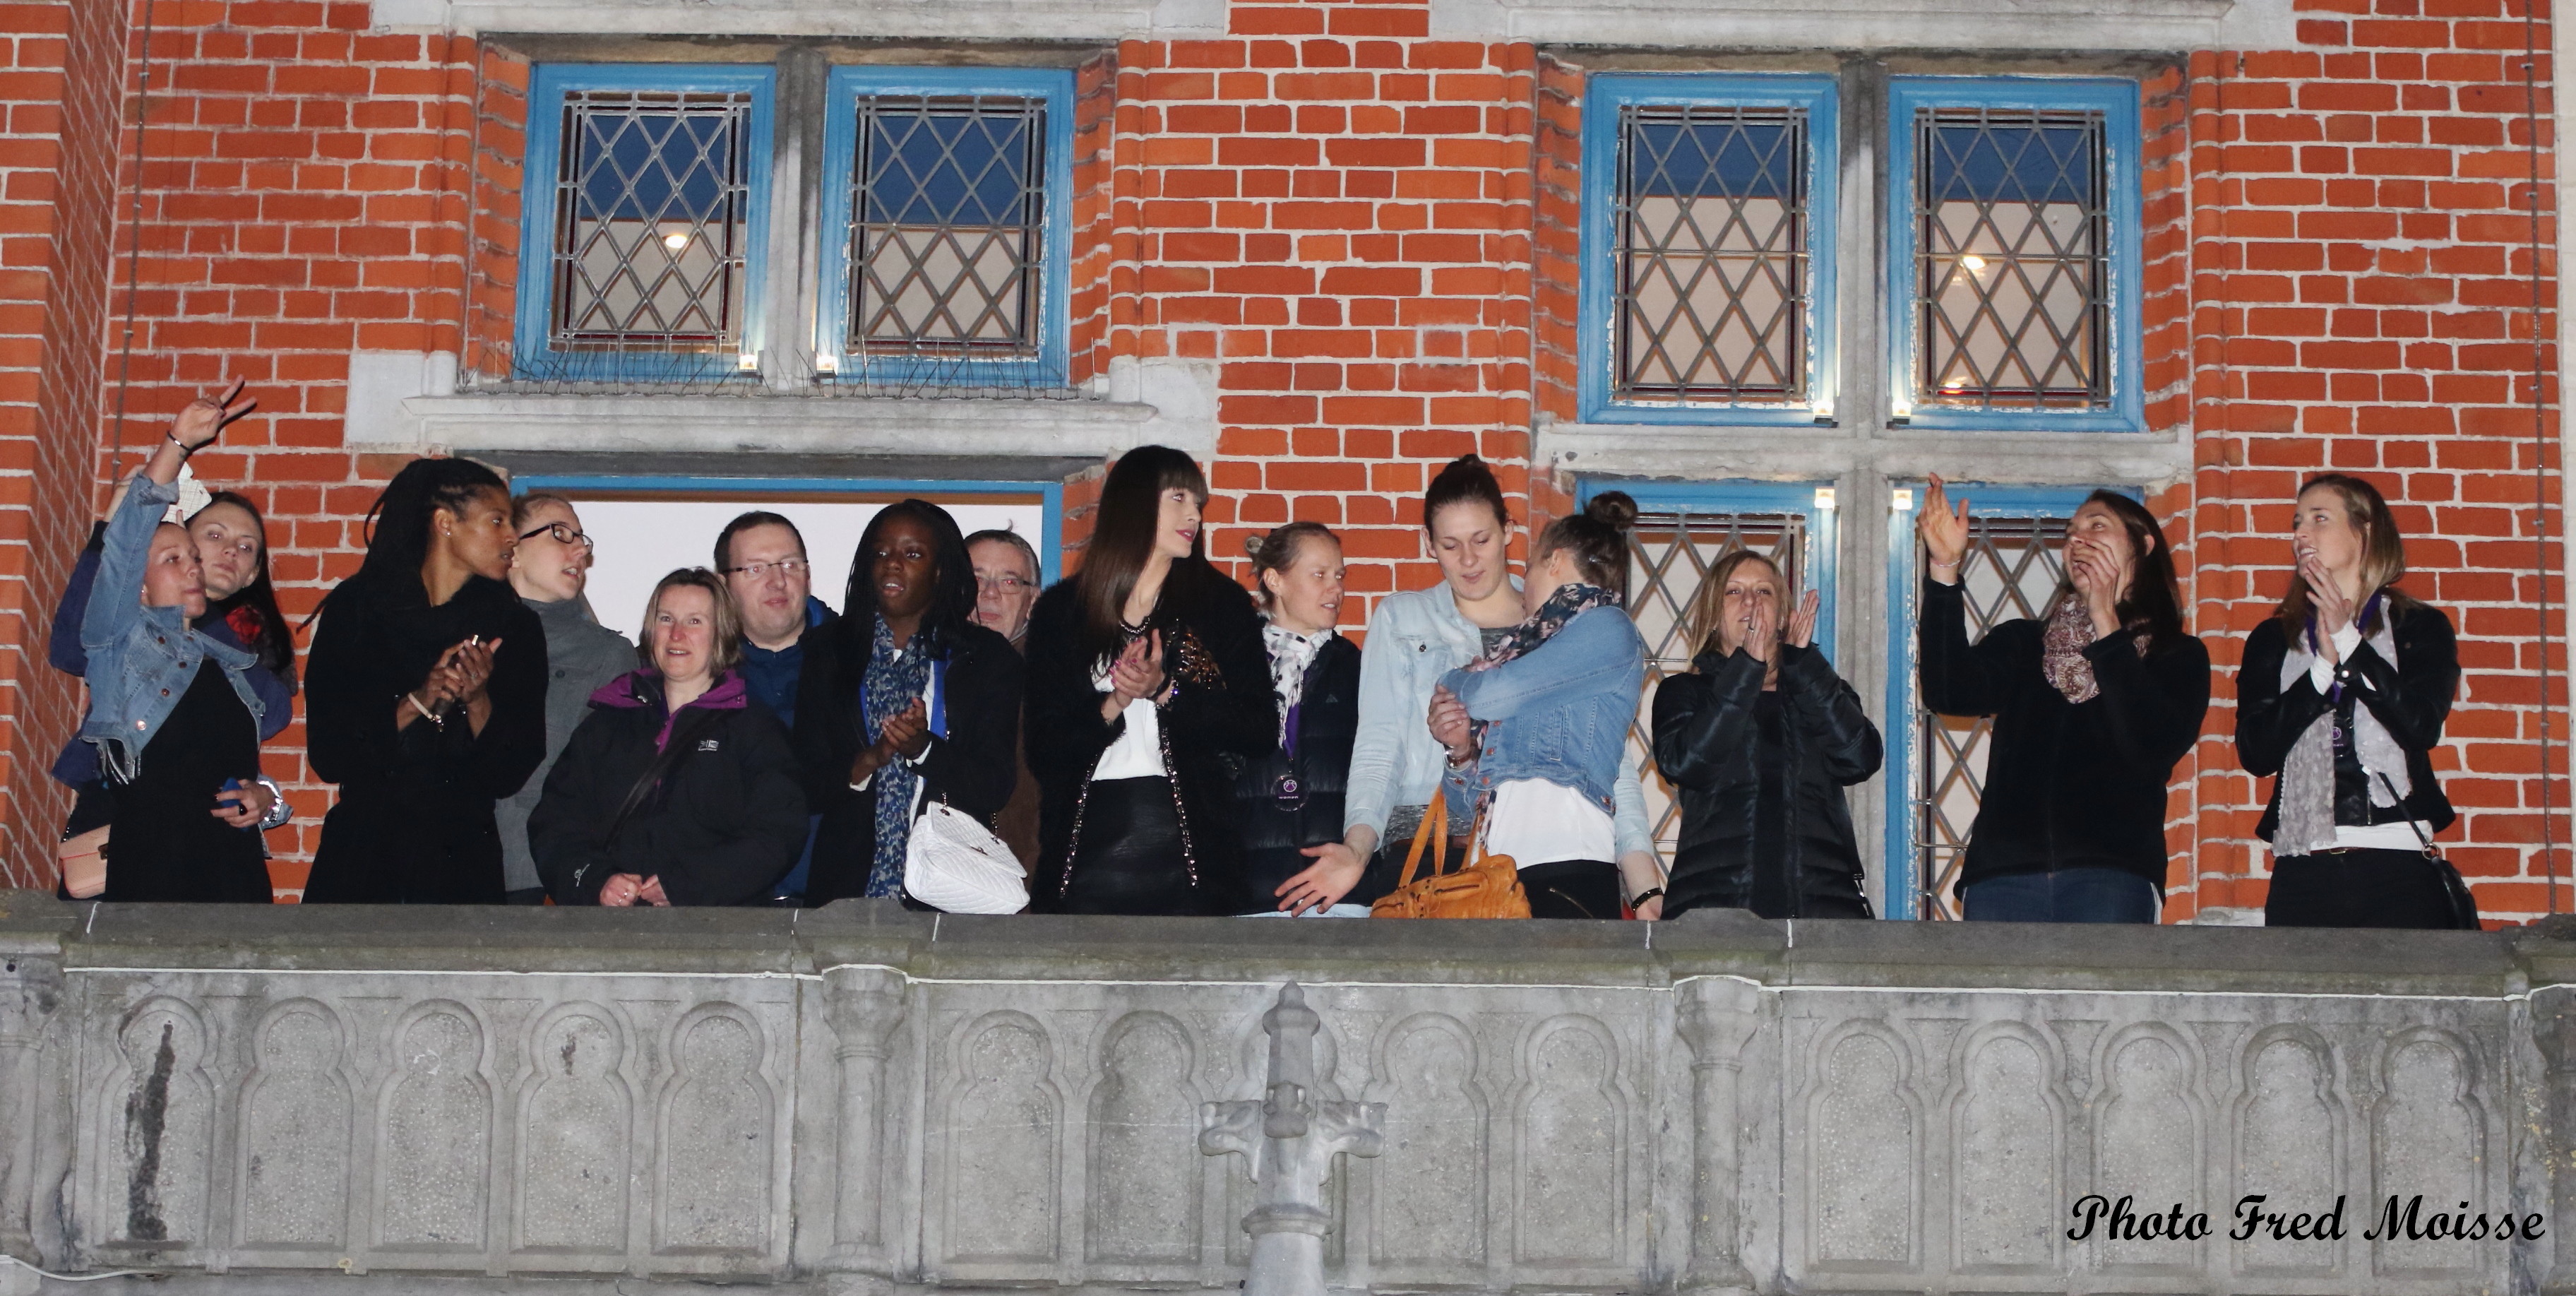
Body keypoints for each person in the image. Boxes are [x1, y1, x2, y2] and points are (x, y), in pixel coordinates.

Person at [1297, 456, 1662, 913]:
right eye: (1450, 545)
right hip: (1425, 846)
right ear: (1428, 542)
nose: (1468, 559)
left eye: (1481, 540)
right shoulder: (1404, 618)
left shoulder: (1564, 621)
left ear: (1509, 529)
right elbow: (1379, 745)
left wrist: (1643, 881)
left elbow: (1610, 760)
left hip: (1524, 854)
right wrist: (1357, 847)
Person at [1914, 475, 2209, 922]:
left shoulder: (2176, 655)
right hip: (2003, 878)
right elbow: (1948, 691)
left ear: (2143, 545)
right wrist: (1943, 569)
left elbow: (2150, 745)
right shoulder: (2025, 642)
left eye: (2096, 527)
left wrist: (2105, 618)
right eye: (2069, 535)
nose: (2077, 541)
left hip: (2112, 876)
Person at [1023, 446, 1274, 915]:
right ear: (1136, 503)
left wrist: (1167, 690)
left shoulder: (1220, 605)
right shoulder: (1062, 612)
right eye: (1179, 497)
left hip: (1194, 854)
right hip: (1084, 850)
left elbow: (1258, 728)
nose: (1194, 514)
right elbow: (1043, 750)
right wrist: (1114, 702)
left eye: (1198, 503)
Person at [300, 456, 548, 905]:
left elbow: (511, 771)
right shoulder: (357, 611)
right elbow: (330, 754)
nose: (512, 536)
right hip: (362, 862)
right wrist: (418, 701)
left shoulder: (515, 628)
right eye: (497, 521)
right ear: (445, 522)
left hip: (462, 865)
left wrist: (477, 700)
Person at [71, 382, 280, 902]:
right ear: (137, 586)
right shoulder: (119, 639)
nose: (192, 565)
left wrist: (264, 799)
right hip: (155, 856)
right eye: (172, 558)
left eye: (193, 555)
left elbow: (240, 773)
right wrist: (178, 443)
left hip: (233, 871)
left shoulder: (234, 668)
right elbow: (125, 541)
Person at [2236, 474, 2462, 928]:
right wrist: (2320, 672)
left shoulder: (2419, 628)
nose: (2301, 534)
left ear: (2366, 531)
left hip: (2397, 861)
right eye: (2298, 522)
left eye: (2320, 519)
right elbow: (2256, 752)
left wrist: (2348, 641)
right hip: (2303, 866)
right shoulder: (2273, 638)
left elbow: (2419, 726)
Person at [1434, 493, 1662, 919]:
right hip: (1500, 873)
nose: (1524, 588)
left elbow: (1491, 695)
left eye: (1529, 566)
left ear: (1554, 561)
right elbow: (1467, 811)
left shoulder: (1607, 628)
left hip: (1566, 862)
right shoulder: (1527, 652)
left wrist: (1452, 680)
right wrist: (1460, 751)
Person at [530, 569, 808, 906]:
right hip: (612, 934)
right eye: (666, 619)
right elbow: (555, 822)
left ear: (721, 634)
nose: (677, 634)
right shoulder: (607, 722)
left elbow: (778, 834)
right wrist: (596, 881)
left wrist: (688, 883)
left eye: (694, 622)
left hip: (720, 934)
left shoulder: (754, 728)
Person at [48, 487, 298, 859]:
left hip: (212, 825)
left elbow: (273, 712)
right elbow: (71, 648)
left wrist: (200, 612)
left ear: (253, 574)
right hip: (126, 809)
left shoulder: (254, 638)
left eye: (246, 548)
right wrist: (108, 536)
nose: (231, 551)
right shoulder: (131, 619)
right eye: (214, 536)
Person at [796, 501, 1024, 905]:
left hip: (949, 891)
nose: (893, 565)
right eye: (881, 553)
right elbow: (805, 786)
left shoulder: (985, 658)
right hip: (845, 890)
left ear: (940, 572)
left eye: (912, 554)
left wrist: (925, 749)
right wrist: (870, 758)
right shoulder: (827, 651)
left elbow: (994, 786)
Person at [1651, 550, 1880, 920]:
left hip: (1824, 912)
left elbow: (1860, 758)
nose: (1750, 601)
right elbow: (1687, 764)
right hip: (1716, 910)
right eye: (1733, 592)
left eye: (1763, 592)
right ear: (1713, 616)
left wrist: (1805, 666)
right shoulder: (1685, 692)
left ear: (1782, 619)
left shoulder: (1818, 687)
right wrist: (1747, 669)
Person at [494, 494, 635, 905]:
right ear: (512, 550)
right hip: (453, 861)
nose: (580, 549)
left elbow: (606, 784)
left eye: (582, 540)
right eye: (560, 534)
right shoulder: (470, 632)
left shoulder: (608, 654)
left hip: (537, 871)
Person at [1234, 523, 1370, 916]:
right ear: (1274, 580)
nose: (1336, 588)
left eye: (1339, 576)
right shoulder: (1232, 664)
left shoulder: (1357, 667)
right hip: (1247, 894)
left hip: (1337, 897)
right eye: (1319, 575)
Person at [718, 510, 837, 902]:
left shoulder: (862, 660)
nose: (777, 580)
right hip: (725, 907)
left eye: (789, 564)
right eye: (755, 568)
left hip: (839, 905)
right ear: (724, 584)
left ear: (807, 574)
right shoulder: (692, 673)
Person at [966, 526, 1044, 868]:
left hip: (1025, 887)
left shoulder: (1055, 684)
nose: (990, 594)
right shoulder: (920, 669)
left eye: (1010, 582)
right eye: (976, 578)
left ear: (1033, 601)